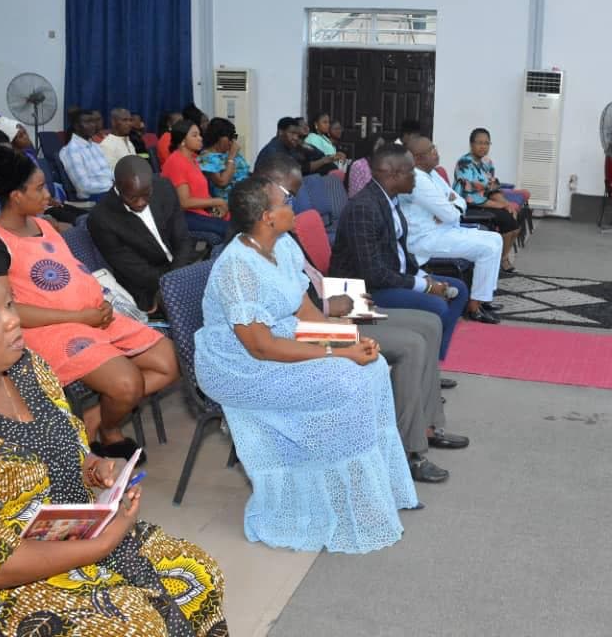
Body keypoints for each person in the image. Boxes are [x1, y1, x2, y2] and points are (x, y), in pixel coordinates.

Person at [0, 260, 227, 636]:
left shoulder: (26, 368)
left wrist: (93, 466)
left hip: (69, 534)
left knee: (198, 573)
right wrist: (102, 545)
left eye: (9, 305)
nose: (12, 320)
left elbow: (66, 443)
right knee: (132, 625)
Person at [194, 176, 419, 552]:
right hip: (238, 367)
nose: (293, 206)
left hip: (279, 341)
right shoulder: (237, 268)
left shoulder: (282, 246)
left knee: (373, 365)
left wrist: (349, 339)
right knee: (348, 380)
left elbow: (306, 313)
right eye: (286, 202)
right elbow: (261, 348)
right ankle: (329, 498)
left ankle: (363, 493)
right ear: (267, 217)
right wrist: (339, 354)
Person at [256, 152, 469, 483]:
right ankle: (408, 451)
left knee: (428, 324)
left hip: (333, 303)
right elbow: (286, 313)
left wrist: (334, 305)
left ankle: (426, 425)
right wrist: (333, 312)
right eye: (289, 197)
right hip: (317, 322)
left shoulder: (282, 238)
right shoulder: (255, 251)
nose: (295, 207)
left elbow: (307, 290)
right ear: (266, 198)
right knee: (413, 342)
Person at [0, 145, 179, 460]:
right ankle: (109, 433)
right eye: (39, 188)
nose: (47, 194)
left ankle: (91, 420)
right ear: (16, 196)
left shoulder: (43, 225)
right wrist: (81, 316)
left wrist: (99, 306)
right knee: (126, 385)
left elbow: (73, 274)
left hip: (91, 317)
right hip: (47, 330)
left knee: (168, 363)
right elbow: (7, 312)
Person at [331, 144, 468, 360]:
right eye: (412, 171)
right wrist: (427, 286)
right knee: (437, 306)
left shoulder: (390, 200)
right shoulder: (364, 207)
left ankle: (431, 366)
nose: (416, 176)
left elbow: (401, 255)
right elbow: (373, 274)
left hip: (389, 278)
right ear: (394, 174)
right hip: (362, 291)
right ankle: (424, 368)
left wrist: (425, 277)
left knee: (459, 289)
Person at [402, 136, 504, 323]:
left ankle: (483, 298)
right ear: (417, 158)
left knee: (495, 238)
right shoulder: (417, 179)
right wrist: (448, 209)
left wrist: (449, 207)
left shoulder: (432, 174)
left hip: (444, 230)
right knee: (487, 248)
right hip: (426, 240)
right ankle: (474, 307)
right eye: (431, 150)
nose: (437, 153)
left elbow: (458, 200)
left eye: (435, 147)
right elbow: (451, 214)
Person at [89, 155, 196, 314]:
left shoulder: (164, 188)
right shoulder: (101, 218)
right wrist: (172, 285)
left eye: (146, 195)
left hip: (180, 268)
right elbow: (135, 270)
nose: (140, 203)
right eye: (132, 198)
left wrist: (177, 278)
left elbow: (182, 239)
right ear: (117, 187)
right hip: (146, 289)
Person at [454, 128, 521, 272]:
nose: (483, 146)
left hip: (484, 202)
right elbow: (472, 197)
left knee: (515, 224)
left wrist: (507, 204)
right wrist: (500, 206)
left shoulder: (487, 162)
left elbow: (493, 188)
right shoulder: (464, 163)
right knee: (508, 223)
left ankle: (501, 258)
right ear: (471, 144)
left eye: (486, 143)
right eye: (479, 143)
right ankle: (501, 260)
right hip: (469, 205)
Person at [161, 119, 229, 239]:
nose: (200, 138)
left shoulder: (193, 158)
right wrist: (217, 201)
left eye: (200, 134)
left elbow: (201, 192)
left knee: (239, 220)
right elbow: (184, 202)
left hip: (200, 210)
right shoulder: (176, 161)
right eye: (194, 135)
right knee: (229, 230)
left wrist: (216, 208)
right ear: (182, 141)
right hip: (184, 216)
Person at [58, 108, 114, 200]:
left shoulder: (96, 147)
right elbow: (83, 187)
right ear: (76, 126)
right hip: (94, 197)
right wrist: (112, 187)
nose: (93, 125)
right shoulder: (71, 150)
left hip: (110, 192)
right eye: (87, 122)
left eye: (93, 121)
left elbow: (109, 173)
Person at [199, 117, 250, 200]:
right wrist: (231, 157)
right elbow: (222, 182)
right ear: (218, 137)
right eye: (230, 137)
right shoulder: (206, 158)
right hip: (227, 202)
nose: (232, 141)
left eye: (234, 136)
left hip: (246, 196)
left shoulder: (229, 152)